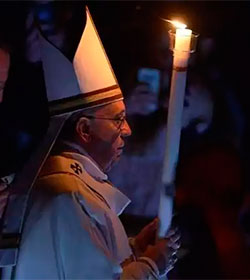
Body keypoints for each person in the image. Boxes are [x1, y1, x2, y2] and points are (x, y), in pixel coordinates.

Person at [1, 6, 179, 279]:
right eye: (118, 119)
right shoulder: (67, 195)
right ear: (84, 129)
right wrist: (151, 267)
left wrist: (133, 251)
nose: (128, 130)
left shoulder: (74, 188)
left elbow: (75, 263)